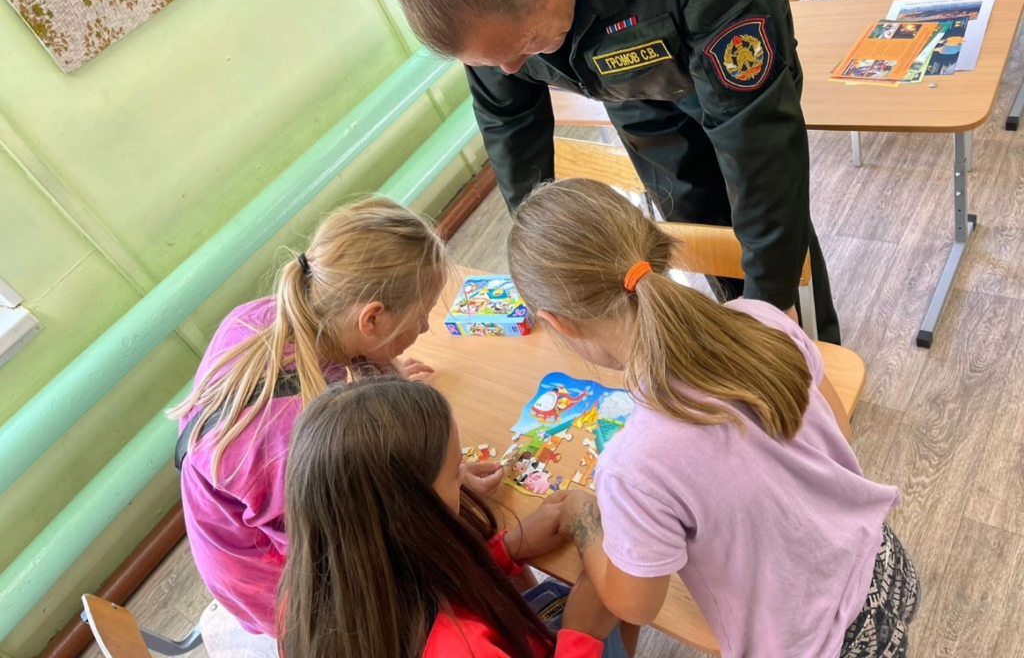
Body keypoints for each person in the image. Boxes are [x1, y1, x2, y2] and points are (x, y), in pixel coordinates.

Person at [391, 0, 841, 344]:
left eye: (524, 46)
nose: (510, 70)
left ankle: (814, 346)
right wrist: (541, 244)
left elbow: (757, 136)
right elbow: (508, 119)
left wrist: (771, 300)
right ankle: (740, 323)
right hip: (622, 69)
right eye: (493, 61)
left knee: (768, 217)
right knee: (694, 212)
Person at [506, 179, 920, 658]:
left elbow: (635, 604)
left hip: (821, 644)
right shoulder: (762, 317)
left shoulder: (632, 466)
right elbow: (838, 434)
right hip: (884, 566)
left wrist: (581, 516)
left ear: (558, 322)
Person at [169, 197, 501, 637]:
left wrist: (384, 371)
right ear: (372, 319)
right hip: (278, 587)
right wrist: (442, 487)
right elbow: (356, 548)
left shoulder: (260, 315)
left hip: (251, 531)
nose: (424, 329)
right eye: (421, 317)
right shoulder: (307, 440)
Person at [278, 376, 632, 658]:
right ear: (411, 511)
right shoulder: (464, 648)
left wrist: (506, 549)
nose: (465, 477)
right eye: (454, 472)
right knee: (622, 602)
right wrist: (582, 634)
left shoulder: (312, 592)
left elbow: (420, 581)